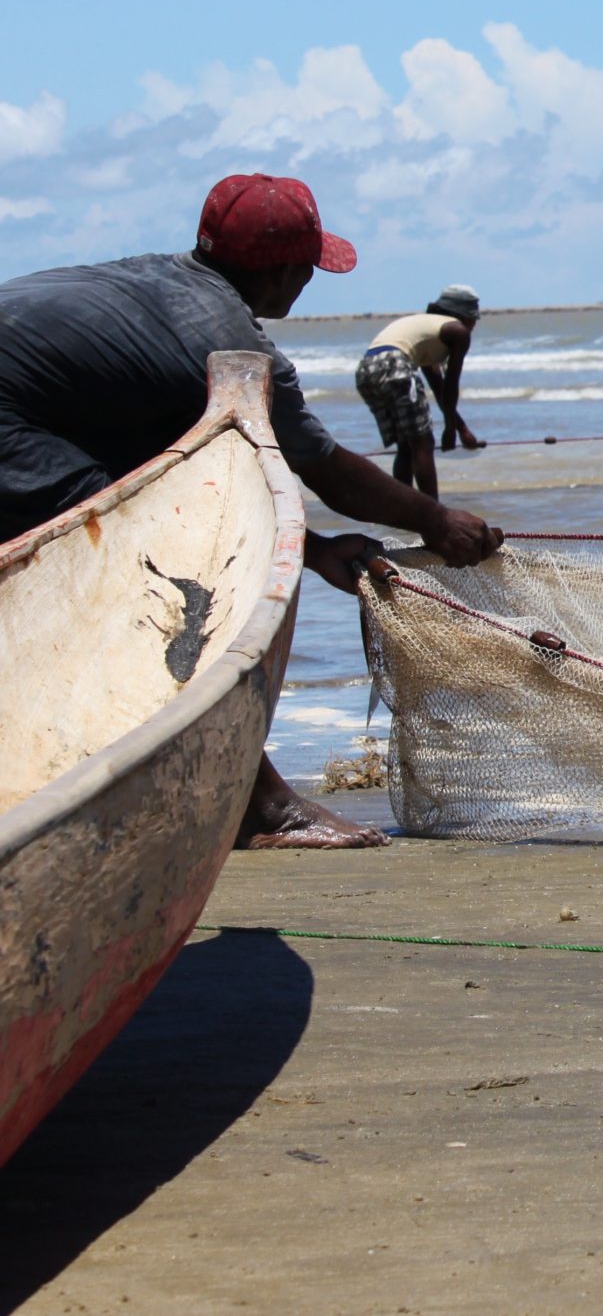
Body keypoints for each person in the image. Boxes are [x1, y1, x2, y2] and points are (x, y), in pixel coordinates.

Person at [0, 172, 507, 847]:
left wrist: (316, 547)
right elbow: (324, 468)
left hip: (26, 408)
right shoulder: (225, 341)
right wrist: (437, 521)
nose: (307, 280)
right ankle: (263, 807)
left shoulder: (157, 286)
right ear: (280, 274)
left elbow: (169, 480)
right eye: (306, 268)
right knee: (158, 588)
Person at [358, 283, 483, 499]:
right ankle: (435, 516)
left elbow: (438, 386)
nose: (474, 324)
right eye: (474, 318)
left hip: (366, 371)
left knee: (406, 447)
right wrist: (450, 429)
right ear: (462, 315)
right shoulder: (457, 331)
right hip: (395, 364)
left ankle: (402, 512)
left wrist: (460, 429)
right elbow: (450, 386)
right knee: (423, 444)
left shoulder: (427, 328)